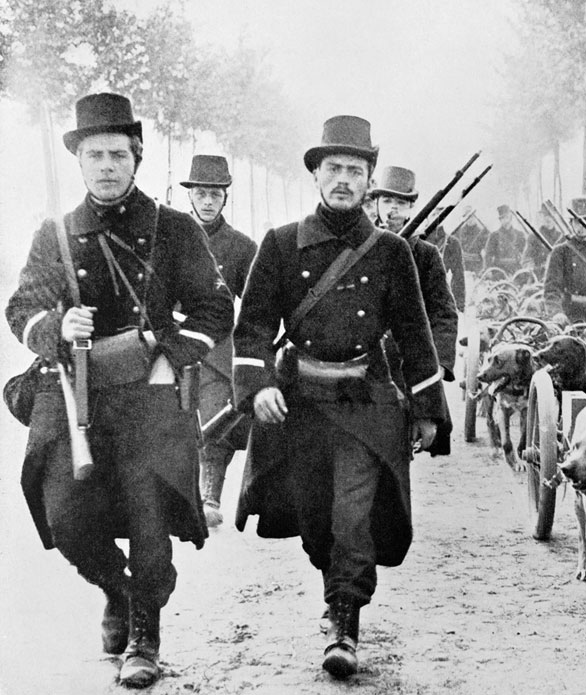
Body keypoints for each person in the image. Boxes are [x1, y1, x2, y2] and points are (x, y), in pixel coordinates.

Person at [6, 92, 234, 688]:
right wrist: (56, 327)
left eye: (117, 154)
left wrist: (168, 348)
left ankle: (143, 638)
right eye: (93, 154)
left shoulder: (174, 230)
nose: (106, 165)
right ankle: (119, 590)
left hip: (148, 398)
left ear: (136, 159)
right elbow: (21, 307)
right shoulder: (55, 233)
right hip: (73, 393)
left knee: (149, 522)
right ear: (79, 163)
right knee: (67, 518)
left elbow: (214, 310)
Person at [232, 115, 444, 679]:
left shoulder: (392, 252)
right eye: (334, 169)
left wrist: (426, 409)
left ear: (369, 178)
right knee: (316, 519)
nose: (344, 179)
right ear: (317, 176)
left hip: (365, 402)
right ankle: (336, 589)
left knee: (353, 515)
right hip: (299, 404)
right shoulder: (280, 245)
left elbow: (416, 334)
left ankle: (343, 621)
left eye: (355, 169)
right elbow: (252, 327)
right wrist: (258, 389)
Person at [179, 154, 257, 528]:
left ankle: (209, 494)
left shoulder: (242, 247)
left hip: (216, 347)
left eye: (215, 194)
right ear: (189, 196)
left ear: (226, 198)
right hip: (171, 342)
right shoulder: (169, 237)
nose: (208, 201)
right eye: (201, 193)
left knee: (216, 416)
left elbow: (257, 304)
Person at [370, 164, 458, 454]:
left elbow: (444, 312)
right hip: (365, 363)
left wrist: (439, 364)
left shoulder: (426, 254)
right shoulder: (361, 246)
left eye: (400, 203)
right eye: (387, 202)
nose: (393, 210)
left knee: (399, 451)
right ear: (377, 205)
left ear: (411, 209)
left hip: (409, 366)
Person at [543, 197, 586, 325]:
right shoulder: (560, 251)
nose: (581, 226)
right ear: (571, 223)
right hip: (569, 316)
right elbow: (551, 289)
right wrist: (556, 313)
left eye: (585, 220)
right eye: (576, 222)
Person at [424, 207, 466, 311]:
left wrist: (459, 304)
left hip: (440, 298)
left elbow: (458, 276)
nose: (436, 220)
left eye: (440, 216)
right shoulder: (418, 240)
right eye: (433, 215)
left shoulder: (452, 243)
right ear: (427, 218)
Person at [482, 204, 527, 276]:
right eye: (502, 218)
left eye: (507, 217)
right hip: (499, 270)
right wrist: (488, 270)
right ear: (500, 220)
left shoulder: (519, 235)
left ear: (511, 218)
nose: (505, 220)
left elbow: (525, 254)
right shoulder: (494, 235)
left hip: (515, 269)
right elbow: (488, 255)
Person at [522, 206, 559, 277]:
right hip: (539, 276)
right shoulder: (533, 237)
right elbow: (526, 259)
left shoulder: (562, 238)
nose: (548, 219)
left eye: (551, 216)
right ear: (541, 217)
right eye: (545, 215)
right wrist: (532, 269)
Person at [453, 206, 489, 273]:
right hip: (463, 265)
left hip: (476, 266)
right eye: (467, 217)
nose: (469, 219)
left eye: (471, 217)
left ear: (475, 217)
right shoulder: (459, 231)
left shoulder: (482, 232)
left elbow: (486, 251)